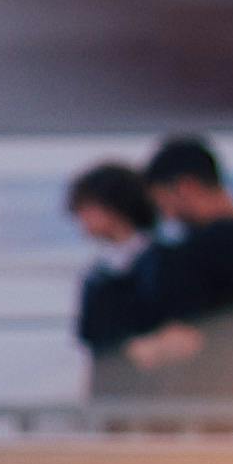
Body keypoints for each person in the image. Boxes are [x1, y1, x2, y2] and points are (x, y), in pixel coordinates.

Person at [122, 130, 233, 393]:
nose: (167, 215)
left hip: (211, 411)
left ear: (186, 187)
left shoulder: (197, 250)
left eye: (163, 201)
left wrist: (140, 351)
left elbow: (186, 338)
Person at [64, 157, 170, 392]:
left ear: (113, 207)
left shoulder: (165, 262)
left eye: (85, 208)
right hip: (110, 394)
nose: (80, 219)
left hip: (157, 393)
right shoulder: (97, 274)